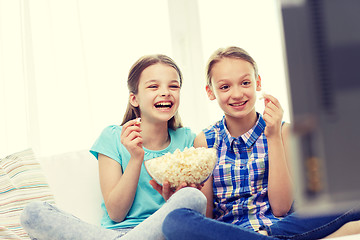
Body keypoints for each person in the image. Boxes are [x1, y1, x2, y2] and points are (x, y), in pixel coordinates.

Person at [161, 46, 360, 240]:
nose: (237, 94)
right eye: (225, 87)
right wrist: (182, 195)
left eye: (245, 83)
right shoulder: (205, 140)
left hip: (279, 227)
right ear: (211, 92)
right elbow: (206, 216)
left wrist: (273, 137)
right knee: (174, 220)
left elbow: (281, 208)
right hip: (229, 232)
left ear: (257, 83)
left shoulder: (282, 132)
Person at [20, 54, 206, 240]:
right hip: (112, 234)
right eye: (153, 86)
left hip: (163, 231)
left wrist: (173, 200)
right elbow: (116, 213)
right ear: (134, 98)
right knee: (33, 212)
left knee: (193, 198)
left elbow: (200, 215)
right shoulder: (113, 137)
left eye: (173, 86)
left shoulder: (189, 141)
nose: (166, 92)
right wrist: (135, 158)